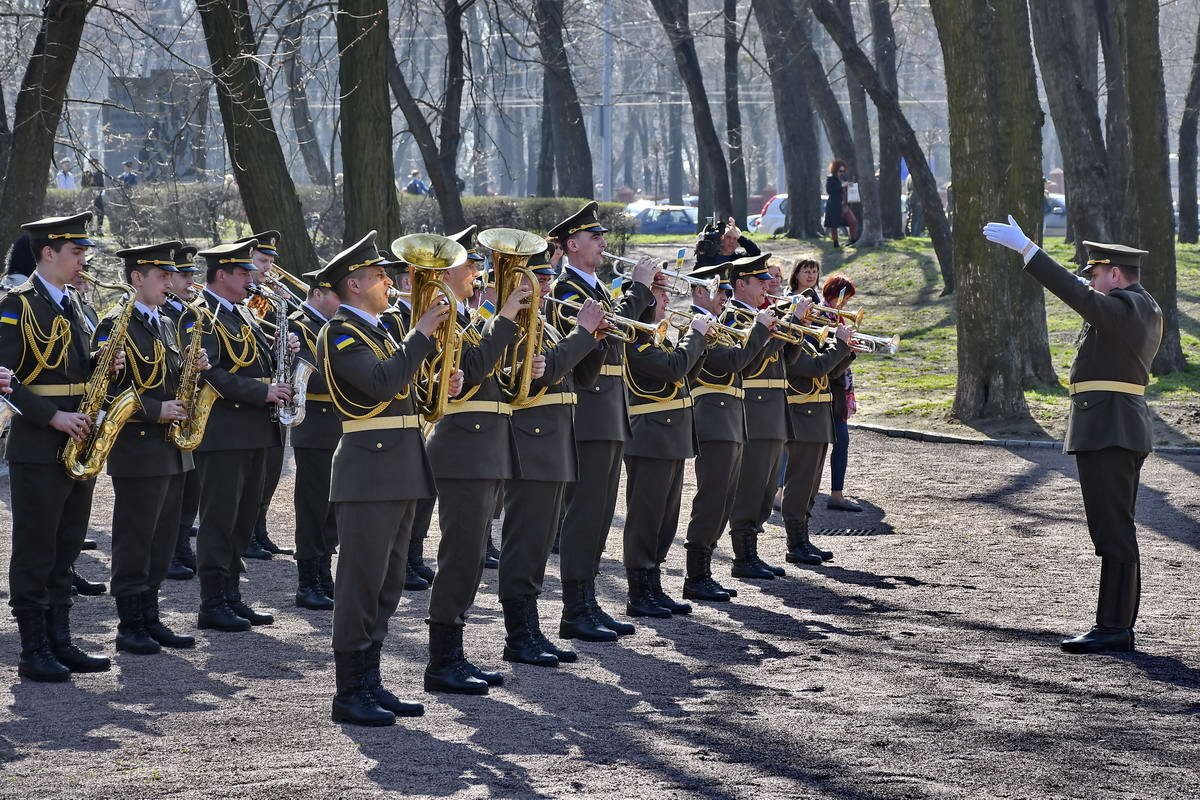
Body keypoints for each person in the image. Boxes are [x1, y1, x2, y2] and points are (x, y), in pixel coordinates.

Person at [983, 217, 1162, 654]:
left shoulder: (1127, 307)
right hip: (1111, 425)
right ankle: (1115, 623)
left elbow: (1077, 295)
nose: (1092, 282)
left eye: (1097, 274)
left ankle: (1114, 626)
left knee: (1112, 529)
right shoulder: (1137, 306)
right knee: (1113, 528)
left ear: (1115, 274)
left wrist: (1029, 249)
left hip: (1109, 428)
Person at [312, 230, 457, 726]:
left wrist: (441, 379)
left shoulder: (380, 330)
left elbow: (404, 385)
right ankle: (349, 690)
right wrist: (421, 333)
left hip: (399, 467)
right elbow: (378, 383)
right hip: (369, 470)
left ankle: (370, 679)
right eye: (378, 276)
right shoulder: (341, 332)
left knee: (389, 581)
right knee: (360, 582)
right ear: (354, 284)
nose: (388, 282)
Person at [1, 212, 116, 681]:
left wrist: (111, 368)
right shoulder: (16, 304)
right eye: (76, 252)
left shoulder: (74, 304)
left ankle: (61, 639)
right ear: (48, 252)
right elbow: (4, 379)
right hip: (37, 442)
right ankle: (34, 648)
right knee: (36, 546)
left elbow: (77, 368)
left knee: (67, 542)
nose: (83, 261)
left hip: (79, 440)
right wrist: (53, 416)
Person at [422, 225, 533, 695]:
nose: (478, 271)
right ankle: (442, 660)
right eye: (470, 265)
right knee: (460, 557)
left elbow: (488, 372)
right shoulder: (441, 315)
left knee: (469, 560)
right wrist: (506, 315)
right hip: (463, 451)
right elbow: (471, 371)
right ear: (447, 272)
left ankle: (455, 654)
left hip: (484, 449)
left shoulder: (466, 316)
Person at [548, 201, 660, 642]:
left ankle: (589, 601)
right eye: (595, 237)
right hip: (588, 410)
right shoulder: (567, 292)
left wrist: (645, 294)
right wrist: (640, 289)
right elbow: (611, 330)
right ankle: (575, 608)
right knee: (584, 513)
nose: (603, 243)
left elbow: (630, 333)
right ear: (572, 245)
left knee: (600, 513)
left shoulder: (595, 288)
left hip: (610, 410)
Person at [498, 246, 605, 666]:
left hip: (556, 440)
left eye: (547, 279)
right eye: (537, 280)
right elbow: (536, 378)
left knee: (542, 542)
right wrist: (582, 334)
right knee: (525, 541)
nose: (546, 286)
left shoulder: (543, 322)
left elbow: (581, 375)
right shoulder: (510, 326)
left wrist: (595, 340)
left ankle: (532, 628)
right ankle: (518, 633)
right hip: (531, 441)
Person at [98, 241, 204, 655]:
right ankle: (130, 623)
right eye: (162, 276)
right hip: (139, 446)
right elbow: (107, 391)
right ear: (136, 278)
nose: (170, 282)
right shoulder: (116, 323)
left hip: (170, 448)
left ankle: (150, 615)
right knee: (136, 537)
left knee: (162, 538)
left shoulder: (162, 321)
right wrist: (155, 409)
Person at [192, 239, 295, 633]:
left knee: (243, 518)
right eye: (243, 271)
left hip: (255, 430)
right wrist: (262, 392)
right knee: (219, 518)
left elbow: (249, 363)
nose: (252, 277)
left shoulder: (242, 313)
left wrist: (277, 348)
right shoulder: (200, 315)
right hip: (224, 430)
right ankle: (212, 602)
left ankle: (232, 596)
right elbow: (210, 372)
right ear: (221, 274)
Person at [683, 261, 773, 602]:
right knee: (712, 500)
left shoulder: (717, 326)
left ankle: (703, 573)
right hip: (713, 416)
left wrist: (767, 336)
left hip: (731, 416)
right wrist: (761, 331)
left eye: (725, 290)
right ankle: (696, 576)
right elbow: (731, 363)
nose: (726, 297)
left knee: (724, 502)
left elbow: (746, 365)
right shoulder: (704, 328)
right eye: (721, 291)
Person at [621, 282, 711, 617]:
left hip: (671, 438)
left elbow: (684, 376)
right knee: (646, 519)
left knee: (665, 520)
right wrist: (696, 337)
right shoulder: (637, 344)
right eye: (660, 296)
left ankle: (653, 585)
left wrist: (701, 344)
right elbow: (672, 369)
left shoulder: (658, 340)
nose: (667, 300)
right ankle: (638, 592)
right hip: (650, 439)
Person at [724, 253, 801, 581]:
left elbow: (790, 357)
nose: (768, 286)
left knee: (768, 487)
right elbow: (747, 362)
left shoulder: (758, 315)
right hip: (752, 410)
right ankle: (743, 556)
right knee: (751, 486)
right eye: (760, 281)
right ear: (741, 284)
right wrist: (770, 331)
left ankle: (752, 551)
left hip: (773, 409)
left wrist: (795, 325)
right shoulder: (732, 318)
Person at [376, 250, 435, 592]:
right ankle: (404, 560)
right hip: (399, 409)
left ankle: (414, 555)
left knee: (424, 492)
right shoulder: (393, 318)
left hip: (421, 408)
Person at [779, 298, 854, 566]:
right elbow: (814, 368)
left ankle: (803, 539)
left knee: (810, 486)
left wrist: (848, 352)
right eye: (808, 311)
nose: (814, 316)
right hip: (802, 419)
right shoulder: (793, 342)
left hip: (818, 419)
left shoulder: (809, 341)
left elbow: (830, 373)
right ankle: (794, 543)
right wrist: (840, 345)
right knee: (799, 484)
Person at [235, 230, 295, 560]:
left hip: (273, 394)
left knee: (271, 470)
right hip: (249, 398)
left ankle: (259, 529)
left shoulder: (267, 297)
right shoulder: (242, 301)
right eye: (261, 261)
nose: (267, 268)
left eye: (271, 262)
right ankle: (245, 533)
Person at [288, 276, 343, 610]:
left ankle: (324, 574)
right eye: (336, 294)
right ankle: (308, 581)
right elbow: (312, 376)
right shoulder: (298, 326)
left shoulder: (335, 325)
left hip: (338, 426)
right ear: (318, 293)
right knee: (313, 507)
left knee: (333, 509)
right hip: (315, 425)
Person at [161, 245, 202, 580]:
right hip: (168, 408)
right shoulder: (169, 313)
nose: (190, 281)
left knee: (191, 485)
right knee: (174, 485)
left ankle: (180, 545)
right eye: (183, 275)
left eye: (191, 274)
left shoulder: (188, 310)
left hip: (189, 407)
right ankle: (171, 550)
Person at [821, 274, 862, 512]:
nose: (845, 303)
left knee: (842, 441)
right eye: (844, 297)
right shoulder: (820, 314)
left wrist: (850, 351)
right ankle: (782, 492)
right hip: (824, 384)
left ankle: (837, 494)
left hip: (838, 386)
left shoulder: (839, 318)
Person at [695, 217, 761, 269]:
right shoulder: (710, 257)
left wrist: (740, 237)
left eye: (735, 238)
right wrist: (701, 254)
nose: (731, 241)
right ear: (721, 238)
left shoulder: (740, 258)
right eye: (728, 237)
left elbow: (756, 253)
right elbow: (696, 276)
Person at [824, 159, 858, 247]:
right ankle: (835, 242)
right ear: (835, 170)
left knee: (853, 222)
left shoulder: (844, 178)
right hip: (834, 205)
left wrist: (851, 186)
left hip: (845, 205)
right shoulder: (830, 179)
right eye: (840, 171)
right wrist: (841, 185)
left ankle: (853, 240)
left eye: (843, 171)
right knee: (834, 225)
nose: (842, 173)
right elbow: (829, 191)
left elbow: (847, 189)